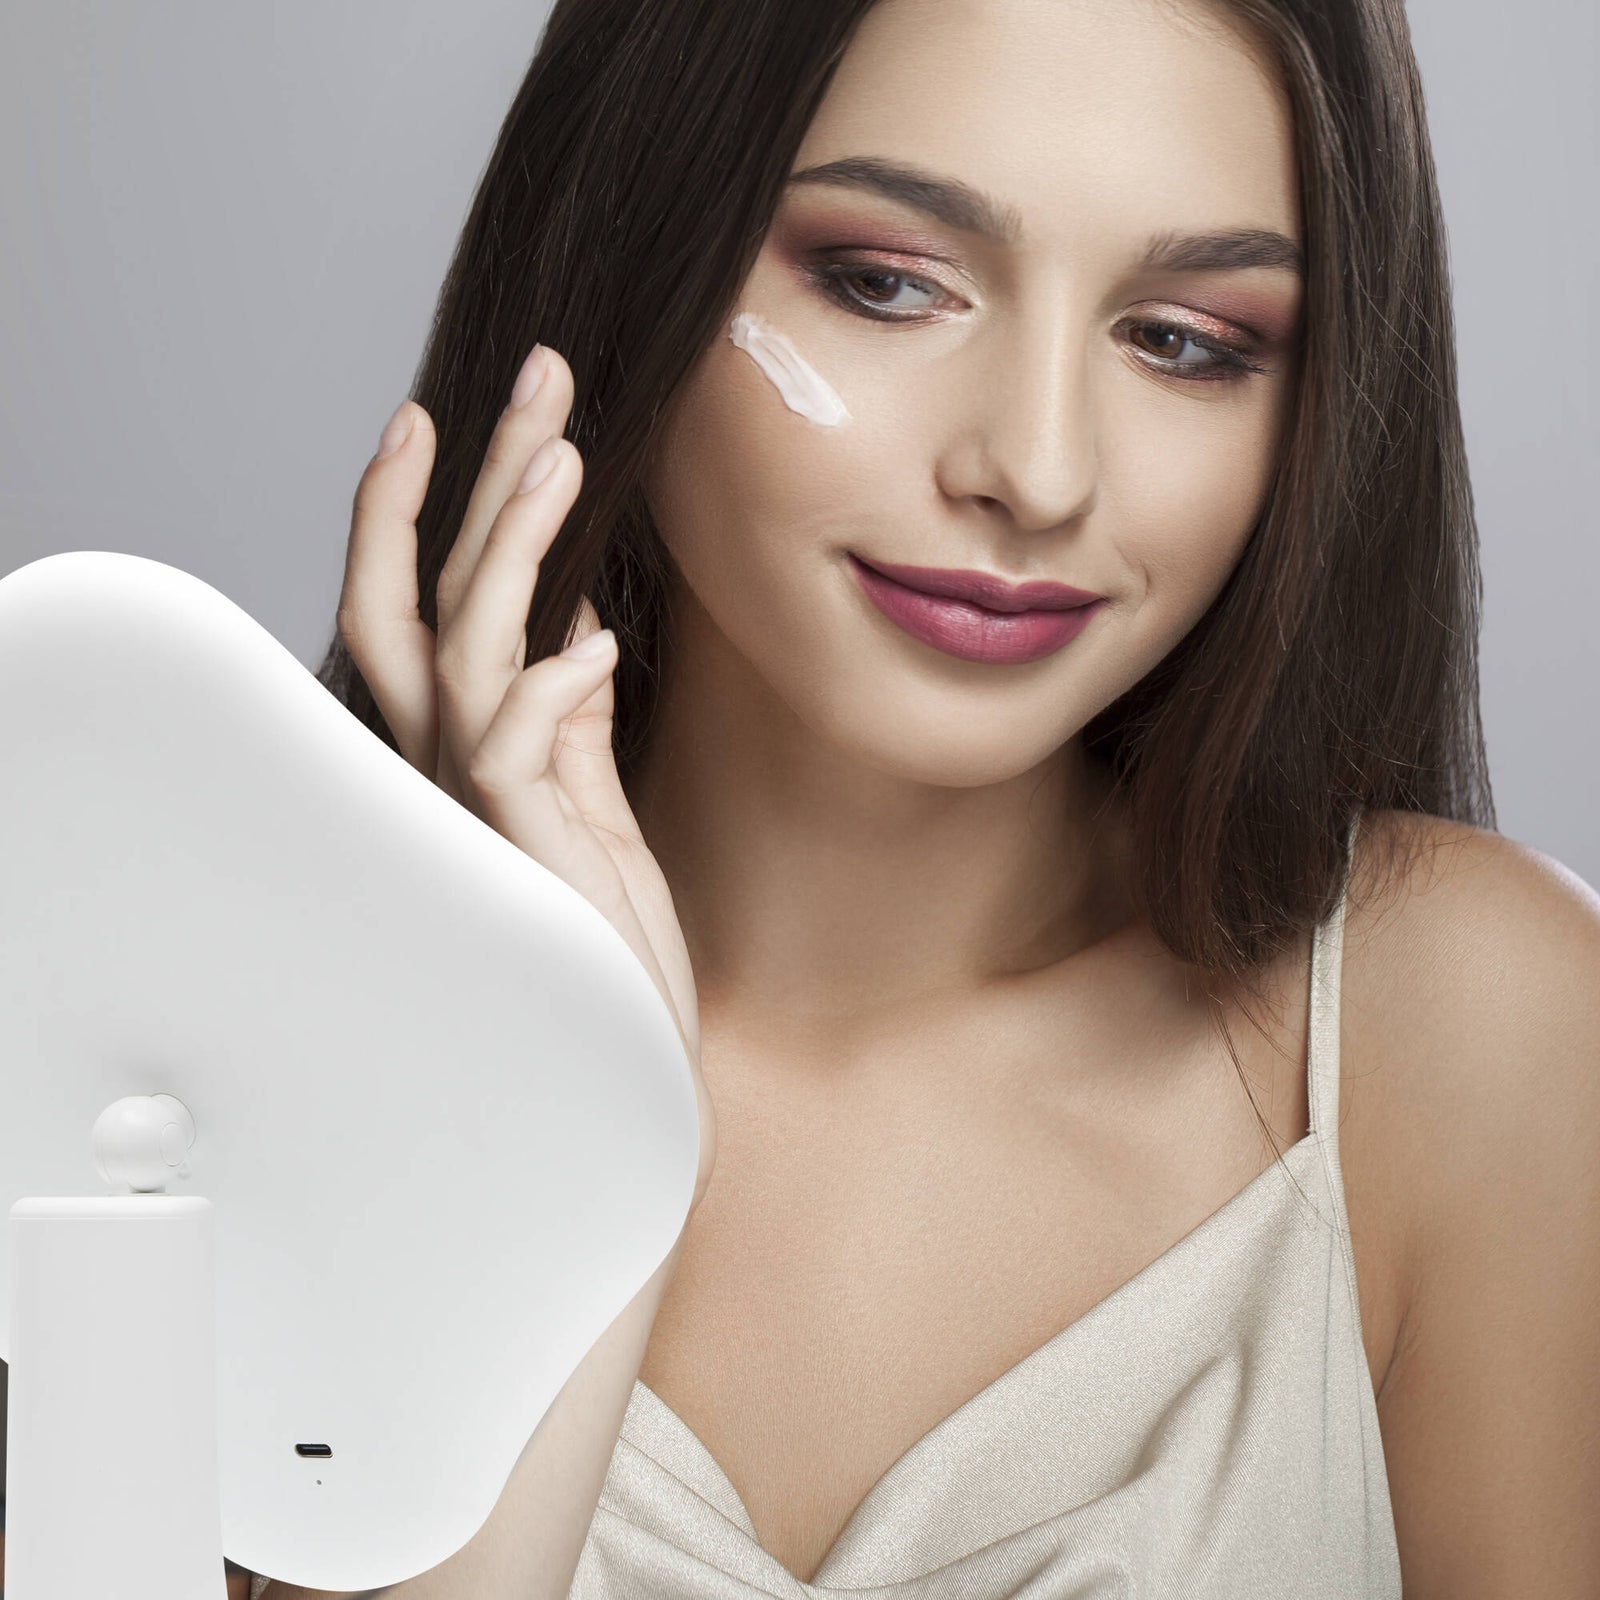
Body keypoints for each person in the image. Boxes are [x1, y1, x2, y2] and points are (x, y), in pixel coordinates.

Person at [252, 0, 1600, 1594]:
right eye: (889, 284)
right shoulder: (216, 1049)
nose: (1035, 470)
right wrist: (567, 1109)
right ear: (633, 244)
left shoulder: (1467, 1032)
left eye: (1185, 340)